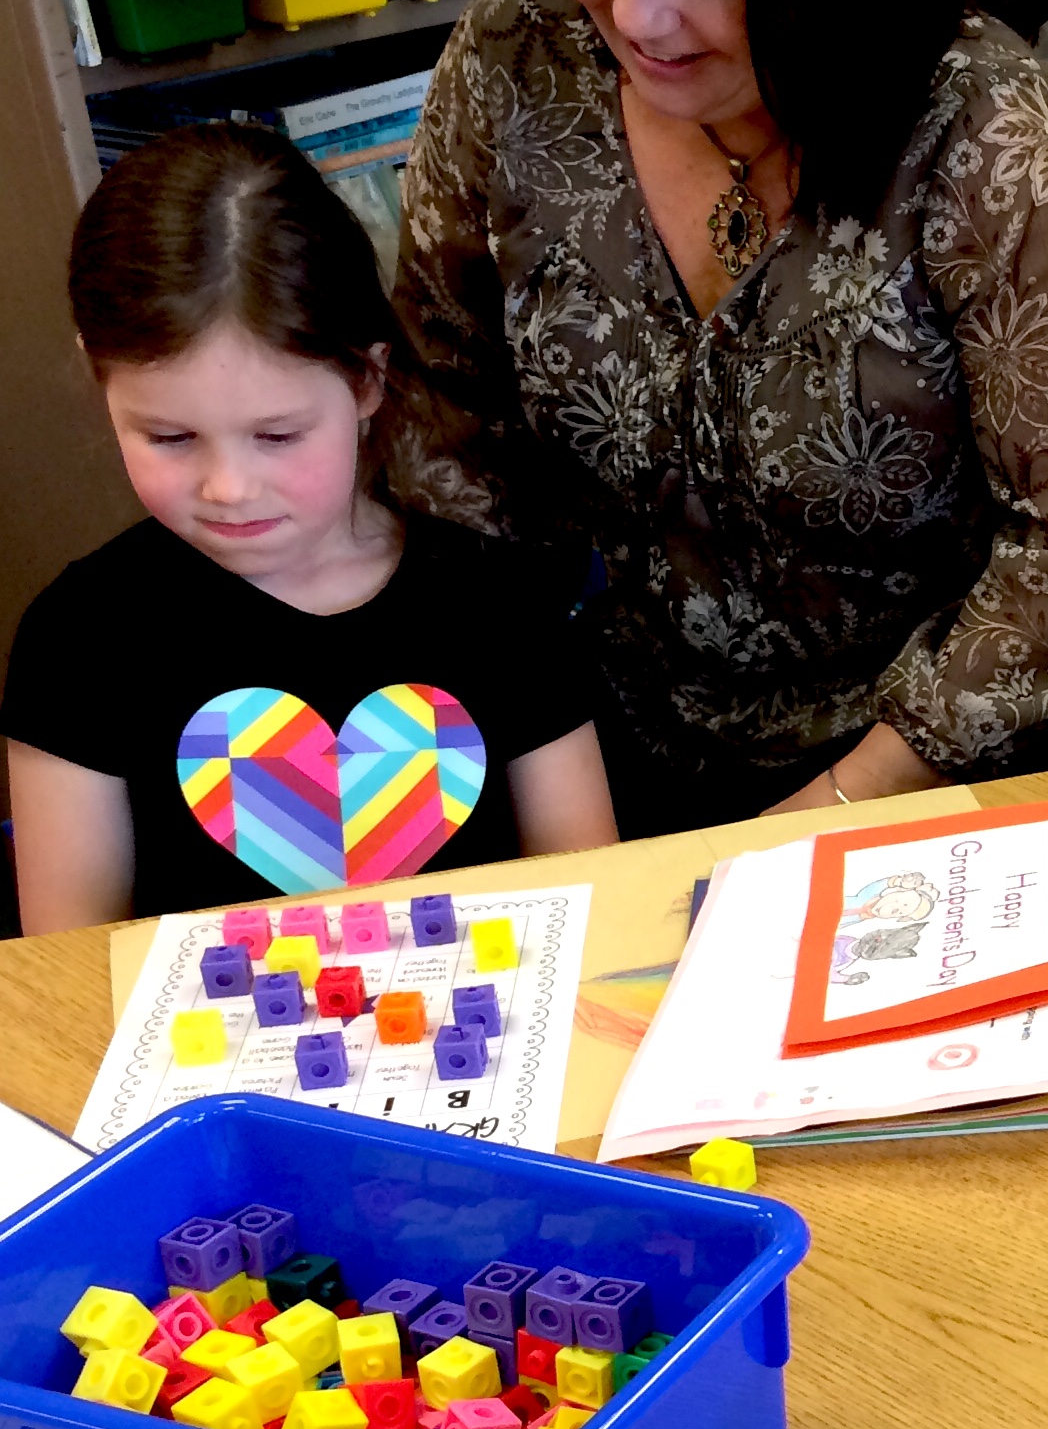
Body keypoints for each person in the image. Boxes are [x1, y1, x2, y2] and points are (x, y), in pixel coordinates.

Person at [395, 0, 1048, 834]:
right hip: (627, 744)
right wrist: (524, 735)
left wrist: (824, 813)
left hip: (966, 761)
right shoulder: (521, 59)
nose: (639, 15)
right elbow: (445, 430)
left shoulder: (982, 128)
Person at [4, 127, 619, 931]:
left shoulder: (501, 603)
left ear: (368, 378)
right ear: (99, 375)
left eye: (279, 435)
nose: (228, 487)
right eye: (169, 437)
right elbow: (72, 970)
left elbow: (595, 901)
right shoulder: (78, 639)